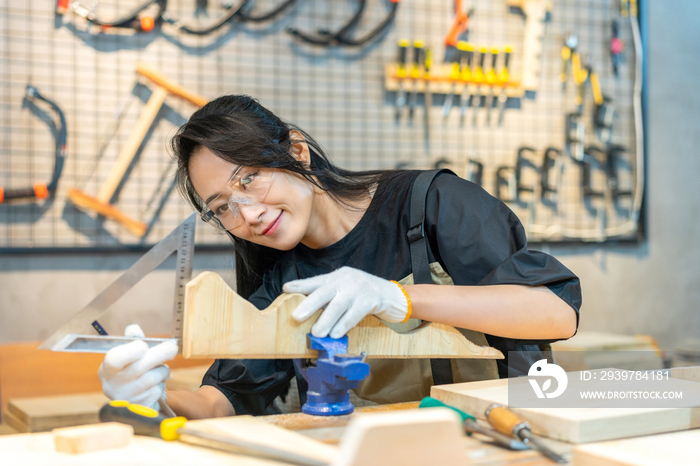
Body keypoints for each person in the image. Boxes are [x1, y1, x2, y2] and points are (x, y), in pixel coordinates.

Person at [98, 95, 581, 419]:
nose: (247, 212)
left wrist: (401, 299)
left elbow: (554, 314)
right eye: (222, 207)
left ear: (298, 153)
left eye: (249, 179)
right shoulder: (279, 274)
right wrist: (149, 397)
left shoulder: (431, 204)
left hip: (489, 442)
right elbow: (226, 398)